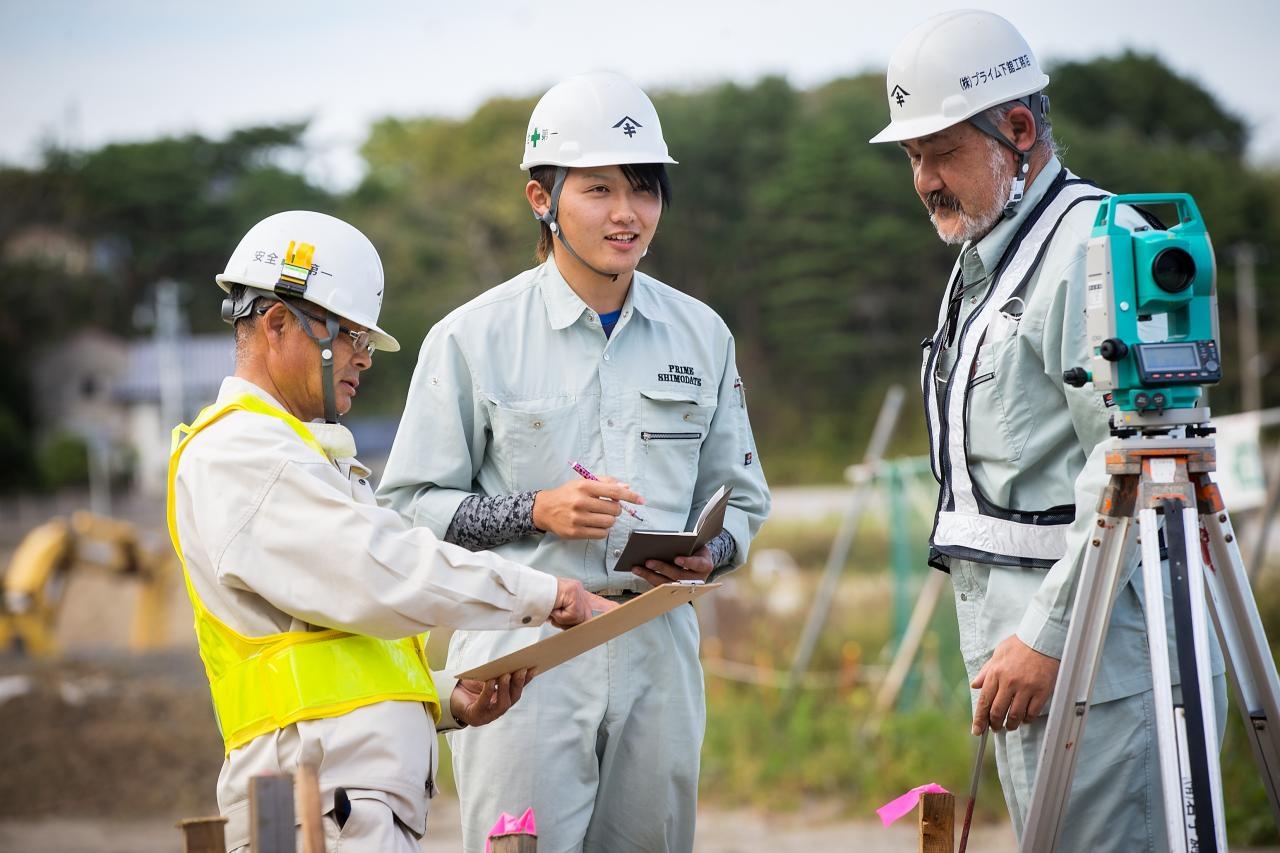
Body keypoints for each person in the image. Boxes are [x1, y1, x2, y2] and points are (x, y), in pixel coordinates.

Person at [377, 71, 772, 853]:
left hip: (657, 640)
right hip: (522, 650)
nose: (627, 213)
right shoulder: (471, 337)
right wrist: (535, 509)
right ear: (540, 199)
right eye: (598, 189)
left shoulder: (702, 335)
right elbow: (406, 508)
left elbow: (745, 500)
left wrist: (710, 551)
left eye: (645, 189)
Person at [869, 10, 1226, 852]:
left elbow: (1135, 459)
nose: (923, 179)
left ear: (1019, 130)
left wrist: (1044, 635)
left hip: (1101, 658)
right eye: (913, 157)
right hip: (1026, 662)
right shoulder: (991, 255)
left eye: (941, 151)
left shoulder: (1097, 249)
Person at [167, 210, 609, 853]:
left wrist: (443, 699)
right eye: (349, 336)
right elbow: (379, 570)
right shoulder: (242, 455)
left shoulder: (302, 456)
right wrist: (547, 594)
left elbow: (330, 655)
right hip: (314, 808)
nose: (363, 359)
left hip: (338, 803)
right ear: (277, 323)